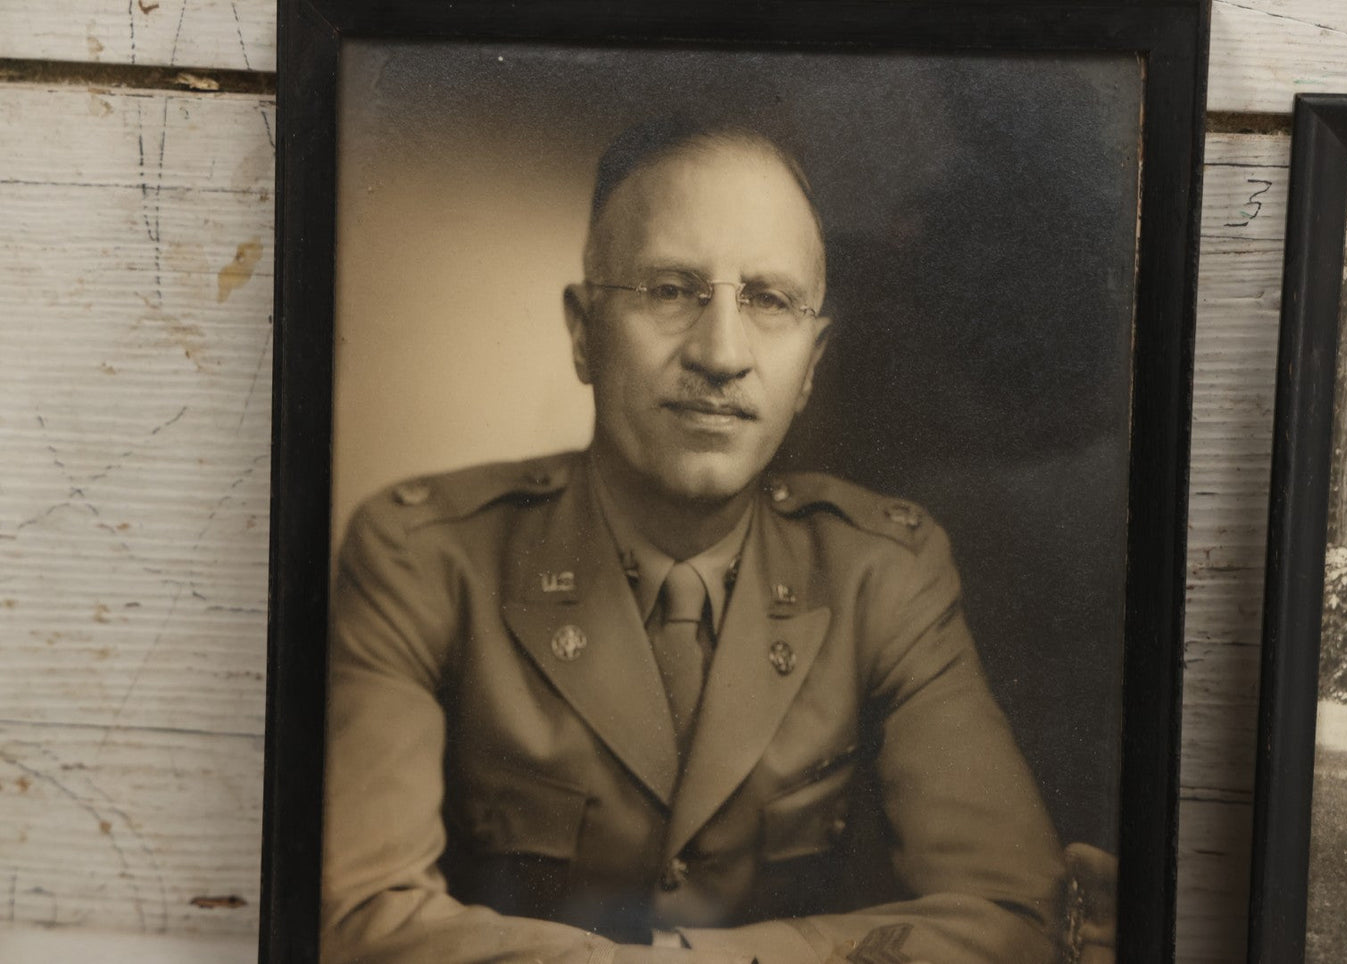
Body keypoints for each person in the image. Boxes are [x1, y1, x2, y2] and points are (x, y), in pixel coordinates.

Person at [322, 116, 1064, 964]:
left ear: (812, 365)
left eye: (769, 301)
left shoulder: (883, 574)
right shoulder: (425, 557)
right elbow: (357, 922)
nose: (720, 353)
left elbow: (1015, 917)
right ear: (583, 333)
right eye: (671, 290)